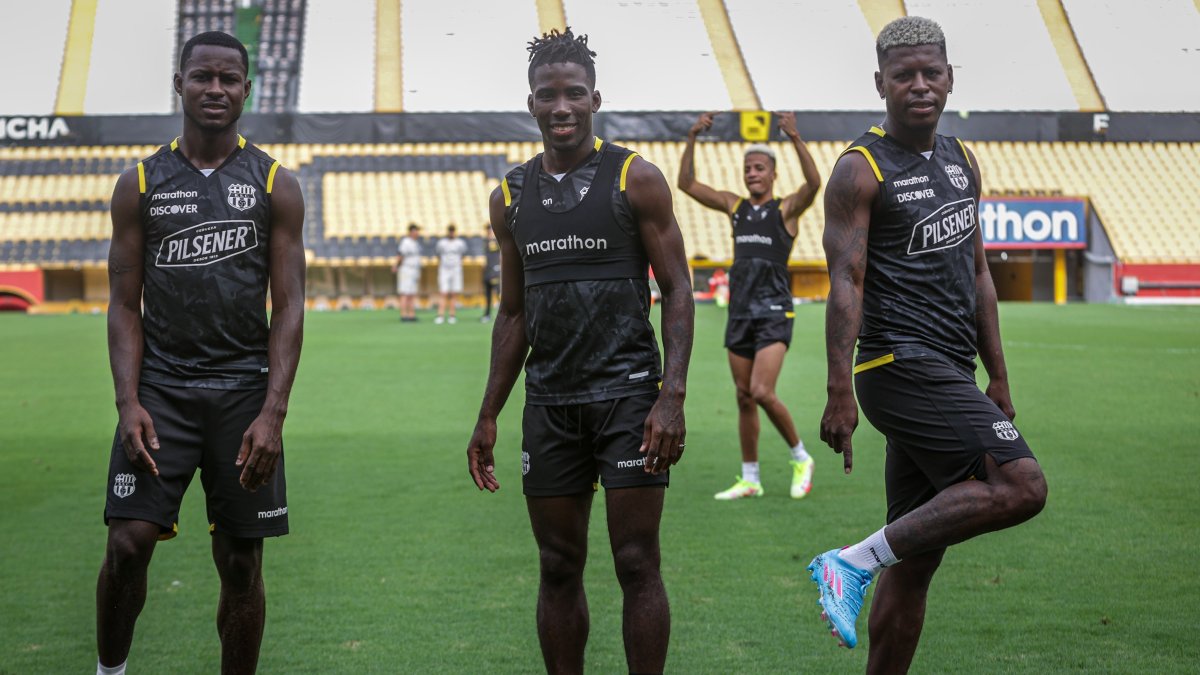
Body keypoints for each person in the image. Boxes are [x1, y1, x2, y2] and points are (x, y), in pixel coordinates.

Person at [809, 16, 1047, 669]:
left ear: (949, 79)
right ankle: (849, 561)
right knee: (1022, 484)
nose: (919, 85)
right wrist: (838, 388)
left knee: (915, 560)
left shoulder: (961, 158)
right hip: (896, 364)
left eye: (931, 73)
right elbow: (846, 280)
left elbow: (978, 273)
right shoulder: (860, 169)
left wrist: (998, 376)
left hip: (950, 368)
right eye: (904, 75)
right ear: (879, 83)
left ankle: (870, 572)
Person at [466, 28, 694, 675]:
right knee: (557, 565)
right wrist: (488, 413)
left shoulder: (635, 177)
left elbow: (678, 290)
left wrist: (671, 397)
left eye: (573, 93)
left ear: (595, 98)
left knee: (636, 561)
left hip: (629, 399)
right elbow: (513, 313)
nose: (561, 106)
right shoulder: (510, 197)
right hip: (550, 404)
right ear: (531, 103)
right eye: (548, 95)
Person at [96, 31, 305, 675]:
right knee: (127, 546)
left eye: (228, 79)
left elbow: (289, 306)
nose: (215, 89)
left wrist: (273, 412)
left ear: (247, 89)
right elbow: (123, 304)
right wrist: (127, 401)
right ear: (179, 84)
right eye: (202, 77)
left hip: (243, 393)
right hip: (161, 391)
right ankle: (109, 671)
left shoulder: (275, 183)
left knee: (240, 562)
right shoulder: (138, 182)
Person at [677, 110, 821, 500]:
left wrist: (794, 137)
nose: (752, 174)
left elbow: (814, 183)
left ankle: (801, 457)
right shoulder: (735, 206)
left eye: (759, 168)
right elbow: (686, 183)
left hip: (774, 311)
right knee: (743, 397)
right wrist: (692, 137)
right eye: (747, 169)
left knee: (761, 391)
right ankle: (750, 478)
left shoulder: (785, 210)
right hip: (740, 311)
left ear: (773, 174)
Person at [434, 224, 467, 324]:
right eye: (450, 230)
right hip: (444, 269)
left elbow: (463, 255)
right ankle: (440, 315)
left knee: (454, 293)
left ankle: (452, 315)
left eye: (452, 230)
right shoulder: (442, 243)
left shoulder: (460, 243)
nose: (451, 232)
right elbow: (438, 255)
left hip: (456, 269)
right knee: (443, 292)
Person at [393, 223, 422, 322]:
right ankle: (403, 314)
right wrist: (396, 265)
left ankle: (411, 314)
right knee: (405, 293)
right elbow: (400, 255)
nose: (417, 233)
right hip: (406, 269)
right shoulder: (406, 242)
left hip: (414, 270)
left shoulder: (415, 243)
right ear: (411, 232)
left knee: (412, 293)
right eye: (416, 231)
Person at [481, 223, 500, 322]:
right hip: (487, 271)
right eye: (487, 229)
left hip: (494, 270)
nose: (489, 231)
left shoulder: (495, 241)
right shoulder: (485, 242)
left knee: (498, 293)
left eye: (490, 229)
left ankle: (502, 314)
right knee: (487, 294)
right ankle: (487, 314)